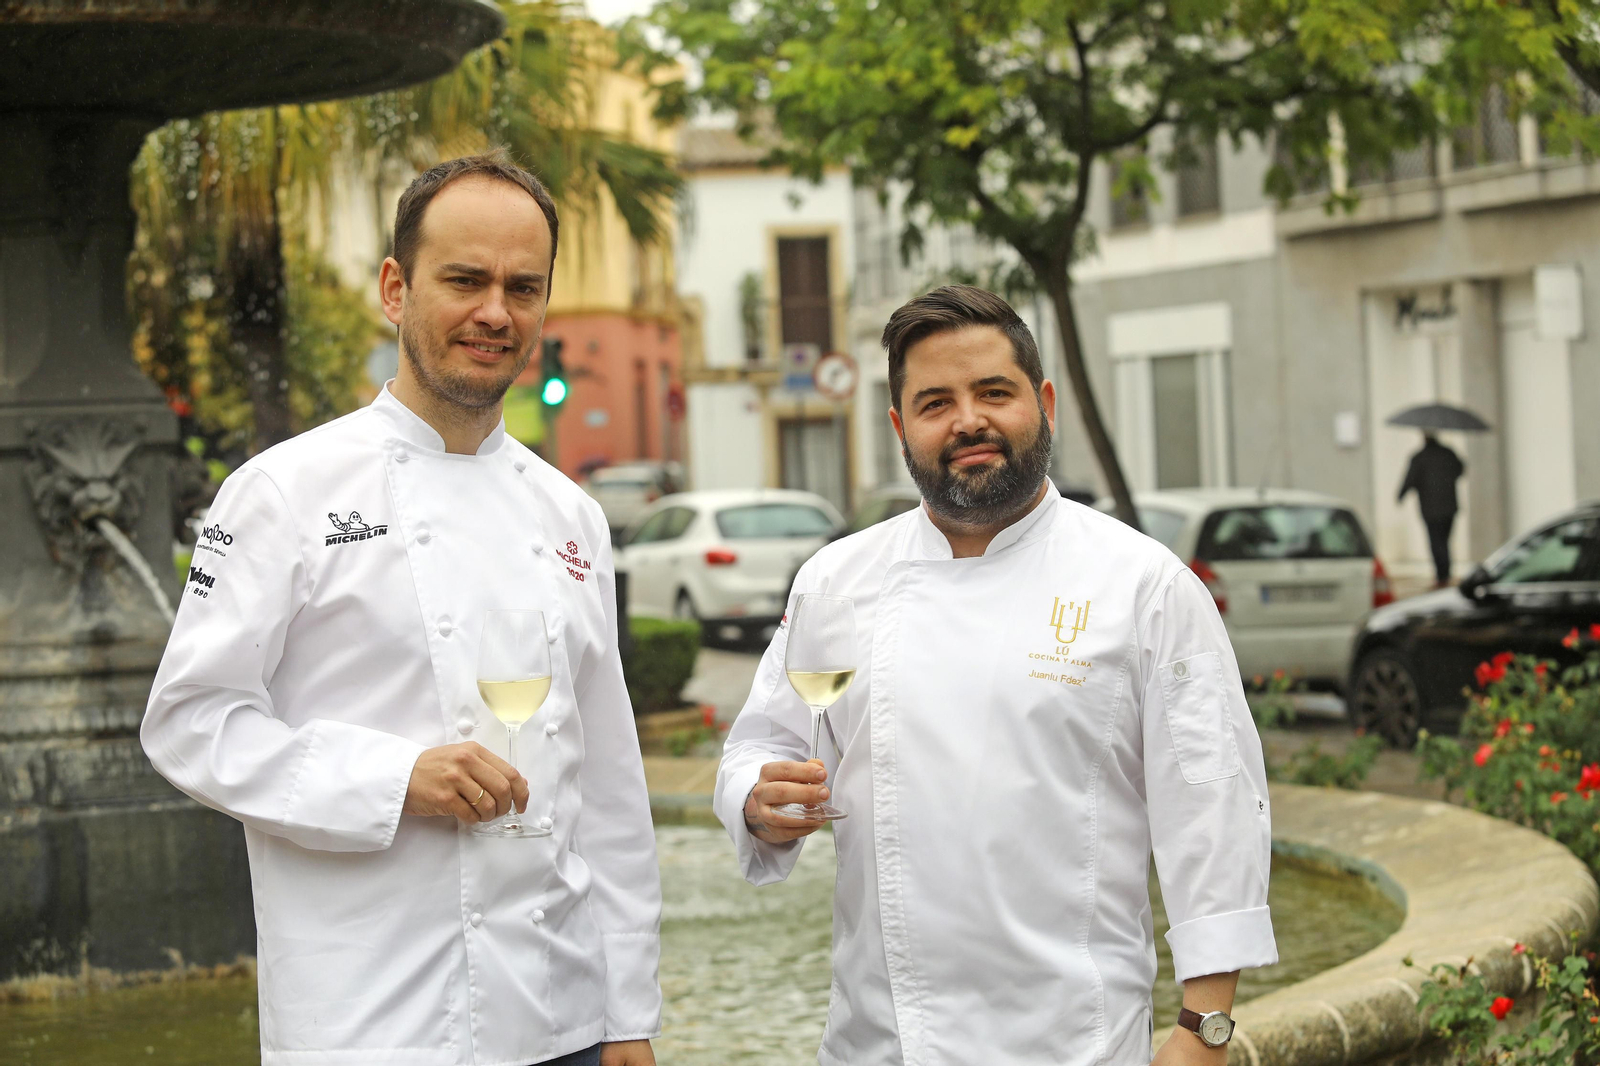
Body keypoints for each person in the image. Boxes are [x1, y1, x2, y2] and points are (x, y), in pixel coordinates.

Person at [143, 151, 660, 1066]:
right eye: (464, 280)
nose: (495, 312)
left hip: (561, 1018)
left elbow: (609, 783)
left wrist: (627, 1012)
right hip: (370, 1020)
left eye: (522, 287)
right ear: (395, 287)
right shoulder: (281, 492)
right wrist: (393, 780)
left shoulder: (571, 513)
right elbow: (189, 724)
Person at [715, 285, 1277, 1066]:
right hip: (878, 1044)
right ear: (899, 427)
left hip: (1071, 1043)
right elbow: (759, 743)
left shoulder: (1142, 584)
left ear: (1043, 403)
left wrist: (1204, 1029)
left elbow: (1213, 811)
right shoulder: (836, 581)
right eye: (935, 402)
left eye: (993, 393)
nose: (967, 421)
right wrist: (756, 799)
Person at [1398, 432, 1465, 588]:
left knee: (1436, 542)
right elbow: (1460, 470)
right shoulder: (1448, 453)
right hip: (1449, 507)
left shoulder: (1419, 457)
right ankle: (1445, 573)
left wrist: (1401, 495)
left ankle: (1442, 576)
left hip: (1430, 509)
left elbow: (1410, 479)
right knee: (1444, 541)